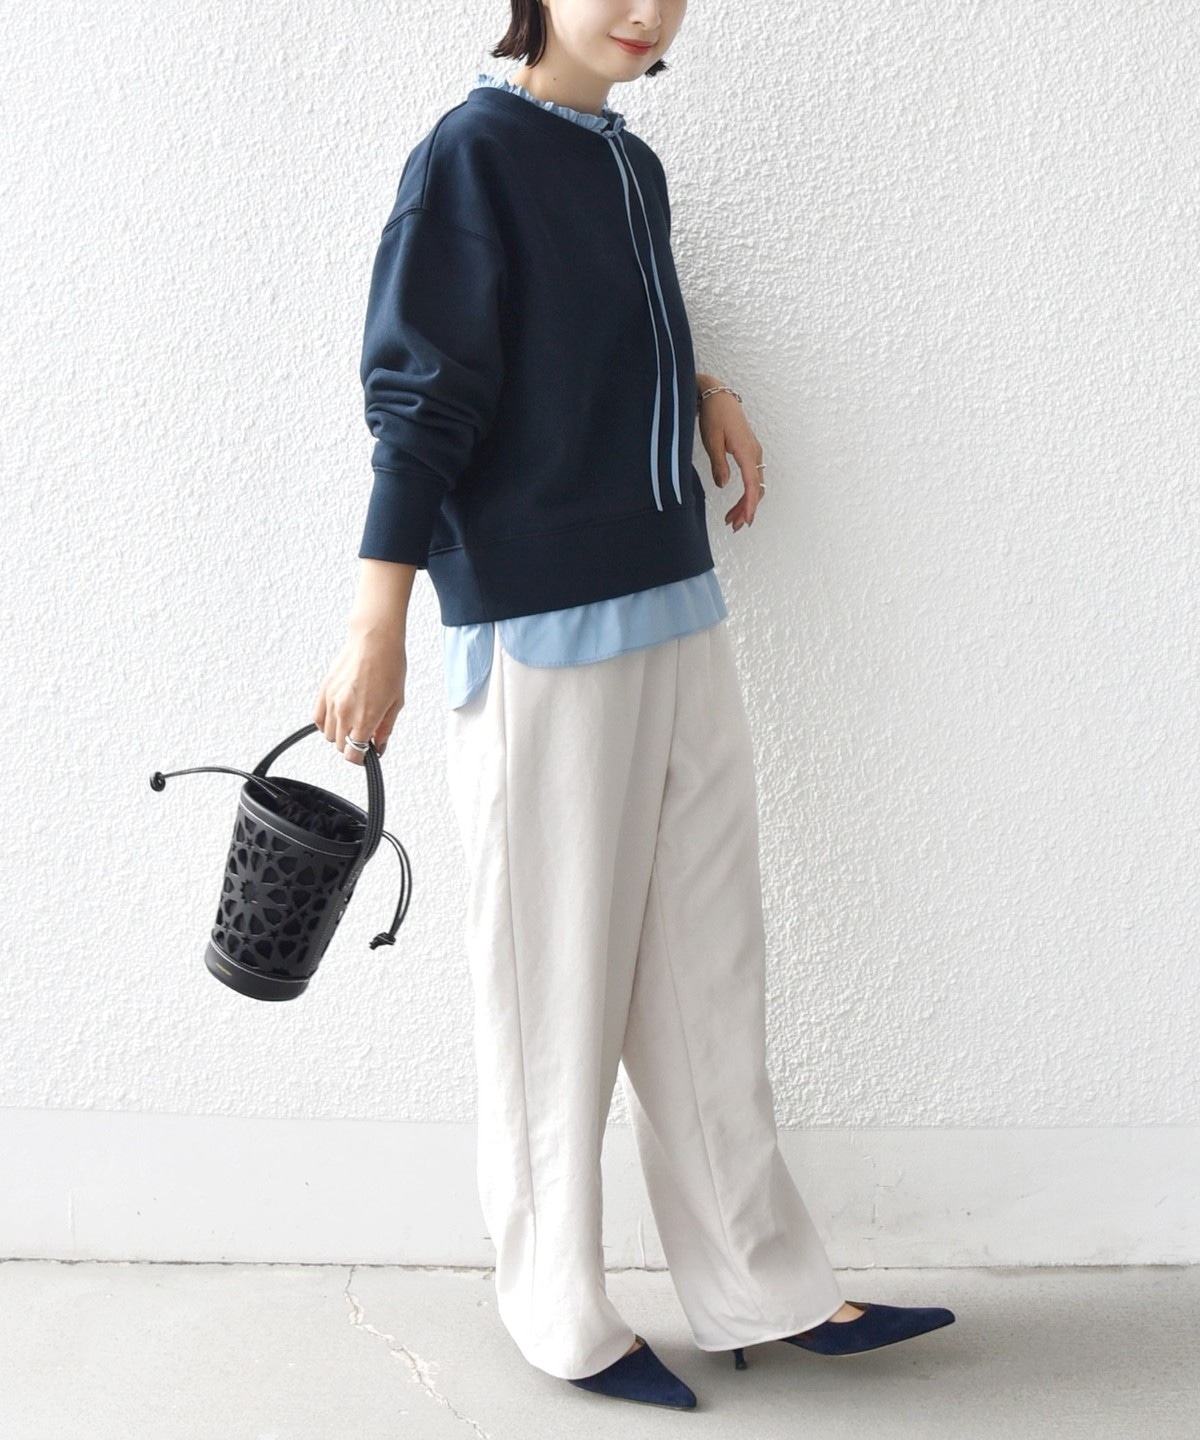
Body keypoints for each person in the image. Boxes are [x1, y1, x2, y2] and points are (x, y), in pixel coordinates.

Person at [312, 0, 955, 1412]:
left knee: (708, 972)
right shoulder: (472, 152)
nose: (642, 7)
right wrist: (378, 620)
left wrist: (702, 385)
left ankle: (760, 1283)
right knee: (554, 988)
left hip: (675, 600)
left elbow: (585, 341)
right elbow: (424, 395)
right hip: (541, 628)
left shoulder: (627, 162)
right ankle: (558, 1308)